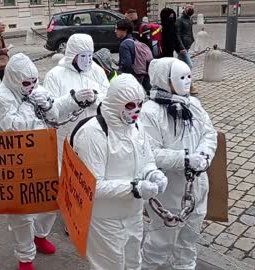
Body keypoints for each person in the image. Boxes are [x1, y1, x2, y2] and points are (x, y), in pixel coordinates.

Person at [71, 74, 168, 270]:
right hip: (105, 218)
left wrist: (152, 174)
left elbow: (146, 159)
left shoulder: (136, 126)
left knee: (133, 263)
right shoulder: (93, 134)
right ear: (116, 103)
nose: (137, 110)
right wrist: (135, 188)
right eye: (130, 105)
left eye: (140, 104)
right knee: (109, 266)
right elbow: (93, 185)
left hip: (133, 213)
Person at [140, 58, 217, 270]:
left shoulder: (193, 104)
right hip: (169, 190)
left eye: (188, 77)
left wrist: (204, 155)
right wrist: (183, 160)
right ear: (166, 80)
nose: (186, 82)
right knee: (160, 241)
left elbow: (209, 133)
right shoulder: (150, 112)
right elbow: (150, 152)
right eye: (180, 78)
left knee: (189, 239)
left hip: (197, 186)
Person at [0, 53, 57, 270]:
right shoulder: (0, 98)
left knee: (49, 200)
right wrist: (30, 109)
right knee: (22, 212)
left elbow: (55, 115)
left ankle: (40, 235)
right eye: (27, 83)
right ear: (15, 79)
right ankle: (25, 256)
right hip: (16, 161)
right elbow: (13, 127)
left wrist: (47, 104)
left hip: (41, 153)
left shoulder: (34, 88)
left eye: (34, 81)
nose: (32, 86)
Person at [41, 33, 109, 166]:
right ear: (73, 56)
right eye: (83, 56)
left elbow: (110, 100)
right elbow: (49, 111)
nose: (88, 60)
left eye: (90, 55)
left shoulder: (98, 72)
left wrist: (96, 98)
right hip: (67, 134)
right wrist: (73, 100)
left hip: (94, 133)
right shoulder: (54, 76)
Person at [116, 19, 152, 94]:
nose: (115, 31)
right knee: (147, 92)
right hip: (142, 73)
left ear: (124, 30)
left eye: (117, 29)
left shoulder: (124, 45)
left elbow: (127, 64)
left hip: (134, 75)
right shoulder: (134, 40)